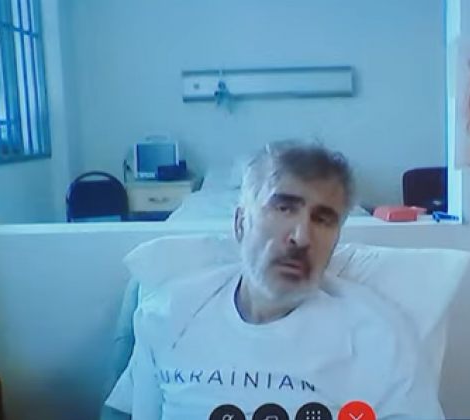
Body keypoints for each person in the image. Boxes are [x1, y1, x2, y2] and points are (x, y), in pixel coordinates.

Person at [103, 140, 443, 420]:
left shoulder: (379, 337)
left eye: (323, 219)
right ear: (240, 224)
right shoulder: (169, 315)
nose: (302, 237)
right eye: (284, 208)